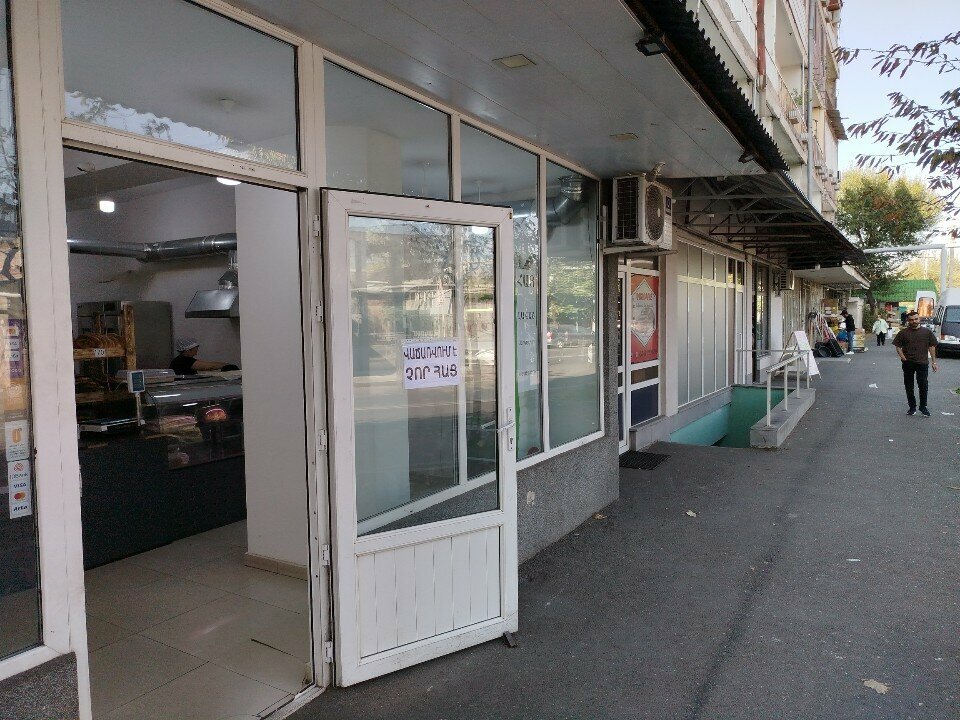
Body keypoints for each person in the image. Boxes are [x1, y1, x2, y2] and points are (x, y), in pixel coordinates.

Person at [892, 311, 938, 416]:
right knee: (909, 385)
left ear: (919, 319)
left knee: (923, 385)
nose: (914, 321)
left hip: (922, 363)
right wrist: (903, 357)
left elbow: (932, 347)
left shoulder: (927, 332)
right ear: (908, 320)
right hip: (908, 363)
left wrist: (934, 362)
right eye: (911, 320)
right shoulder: (903, 333)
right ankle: (912, 407)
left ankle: (923, 407)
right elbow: (898, 346)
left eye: (916, 319)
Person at [170, 337, 236, 375]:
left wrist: (227, 365)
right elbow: (209, 366)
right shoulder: (183, 360)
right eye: (195, 351)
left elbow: (207, 364)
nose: (196, 353)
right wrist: (228, 365)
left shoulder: (183, 359)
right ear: (187, 350)